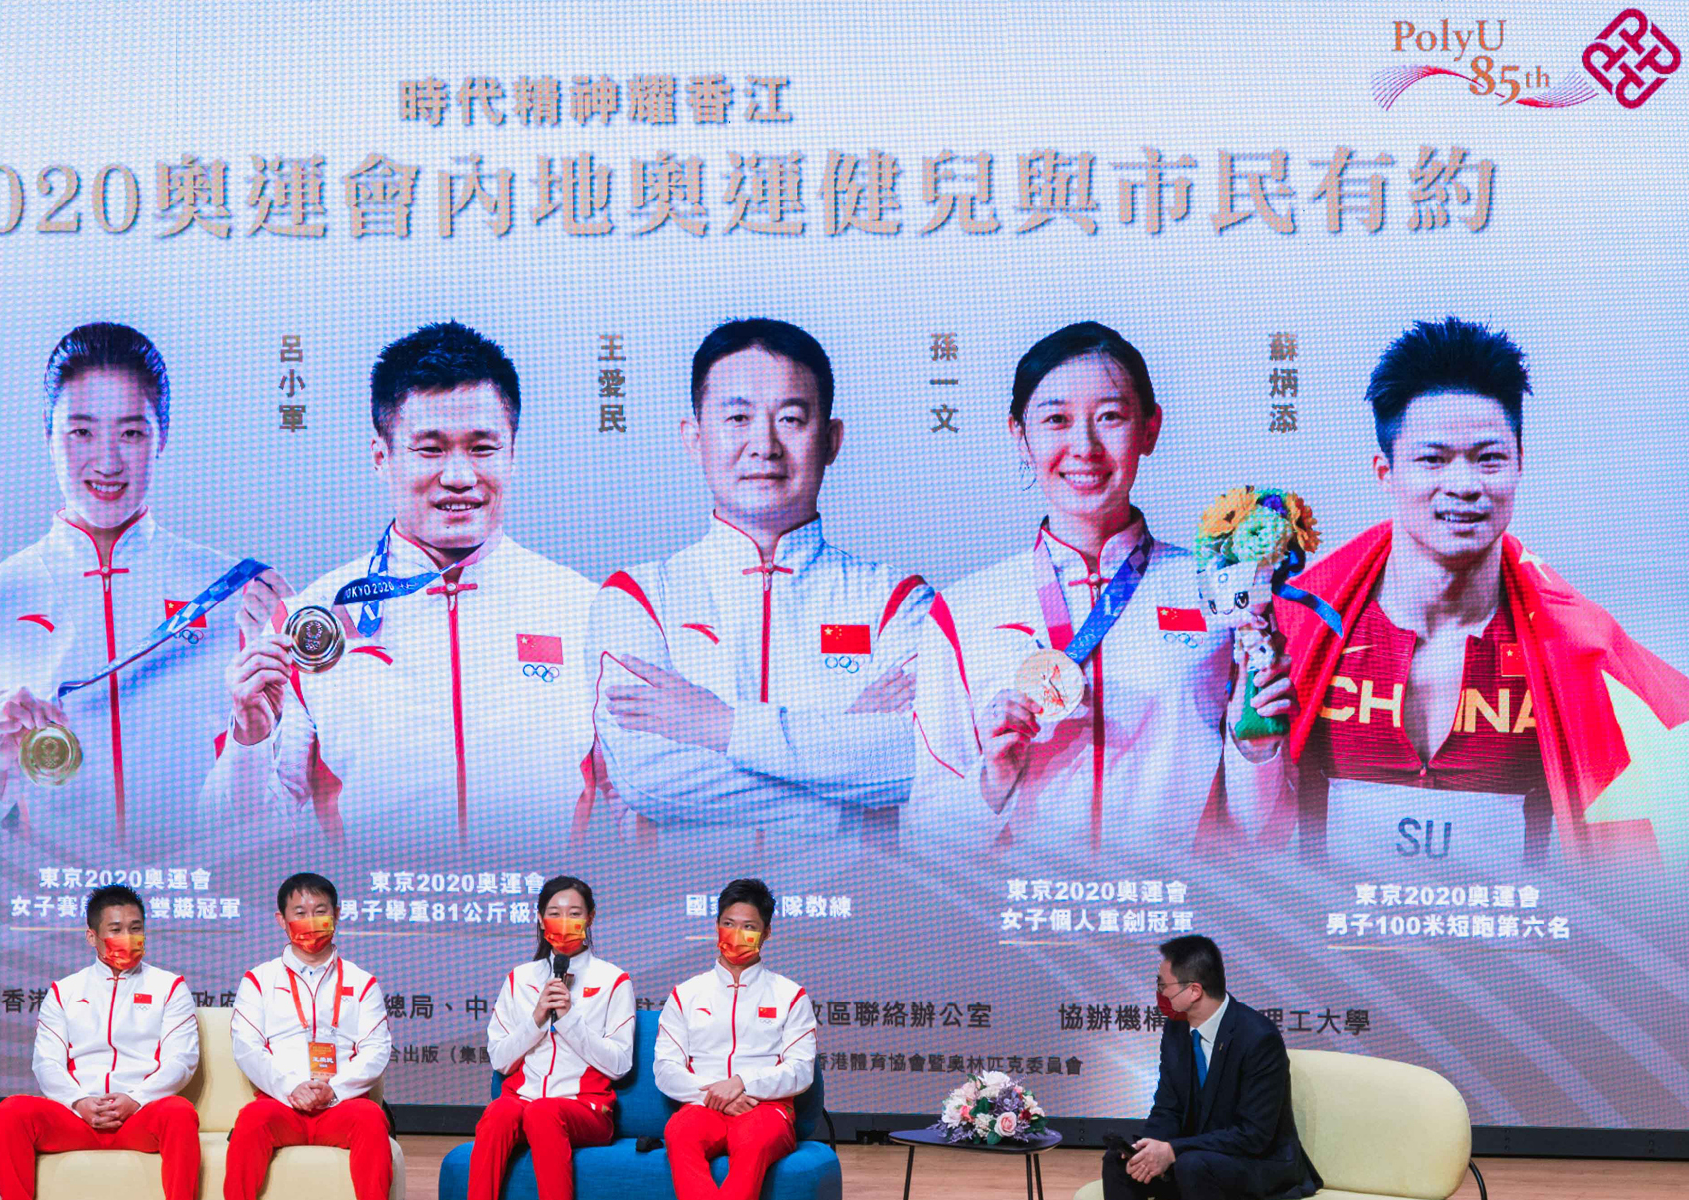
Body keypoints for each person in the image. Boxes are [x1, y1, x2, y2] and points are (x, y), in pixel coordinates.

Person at [1275, 317, 1689, 867]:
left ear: (1520, 465)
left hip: (1509, 948)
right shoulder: (1299, 628)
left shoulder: (1584, 653)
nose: (1465, 485)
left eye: (1489, 457)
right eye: (1433, 459)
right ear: (1385, 472)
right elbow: (1242, 833)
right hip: (1332, 946)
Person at [205, 322, 597, 846]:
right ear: (381, 457)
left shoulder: (589, 611)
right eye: (430, 449)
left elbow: (638, 811)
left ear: (512, 454)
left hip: (539, 923)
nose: (459, 476)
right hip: (383, 922)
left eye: (482, 448)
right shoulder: (308, 623)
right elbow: (240, 834)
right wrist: (249, 738)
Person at [914, 321, 1293, 857]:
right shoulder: (965, 610)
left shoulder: (1220, 592)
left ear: (1149, 429)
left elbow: (1263, 836)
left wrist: (1256, 752)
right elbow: (924, 842)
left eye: (1110, 417)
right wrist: (991, 778)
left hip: (1169, 919)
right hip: (1022, 920)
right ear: (1019, 436)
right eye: (1056, 420)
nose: (1084, 447)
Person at [0, 322, 279, 852]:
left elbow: (278, 799)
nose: (108, 461)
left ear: (162, 435)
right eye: (81, 431)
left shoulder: (236, 592)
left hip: (202, 900)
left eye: (132, 432)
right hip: (58, 909)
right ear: (47, 434)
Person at [589, 319, 937, 838]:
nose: (764, 445)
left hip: (857, 911)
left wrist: (720, 726)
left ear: (832, 439)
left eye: (791, 419)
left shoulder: (897, 601)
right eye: (737, 417)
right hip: (684, 909)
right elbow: (649, 780)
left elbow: (910, 761)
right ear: (694, 437)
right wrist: (843, 771)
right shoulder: (639, 597)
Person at [0, 884, 201, 1200]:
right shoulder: (65, 991)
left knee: (180, 1112)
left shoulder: (169, 987)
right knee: (10, 1112)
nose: (128, 938)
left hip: (139, 1115)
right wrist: (78, 1102)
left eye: (136, 928)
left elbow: (181, 1060)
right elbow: (47, 1061)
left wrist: (136, 1099)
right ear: (92, 936)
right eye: (116, 929)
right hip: (78, 1117)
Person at [1105, 936, 1317, 1200]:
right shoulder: (1176, 1030)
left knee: (1191, 1165)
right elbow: (1167, 1107)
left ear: (1194, 991)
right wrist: (1149, 1150)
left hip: (1258, 1163)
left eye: (1163, 984)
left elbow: (1253, 1135)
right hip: (1196, 1157)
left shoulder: (1258, 1038)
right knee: (1119, 1161)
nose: (1159, 992)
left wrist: (1173, 1150)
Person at [226, 873, 394, 1200]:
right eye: (300, 913)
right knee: (251, 1120)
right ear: (282, 920)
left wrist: (333, 1090)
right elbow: (247, 1047)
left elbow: (376, 1049)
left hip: (341, 1102)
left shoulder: (362, 983)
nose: (311, 921)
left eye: (320, 910)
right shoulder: (259, 980)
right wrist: (292, 1087)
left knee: (372, 1118)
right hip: (281, 1102)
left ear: (337, 915)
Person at [470, 876, 635, 1200]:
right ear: (540, 918)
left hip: (585, 1106)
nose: (564, 922)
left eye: (574, 913)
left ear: (591, 918)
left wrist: (569, 1018)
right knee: (498, 1113)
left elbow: (620, 1065)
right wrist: (536, 1019)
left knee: (543, 1112)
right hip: (522, 1099)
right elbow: (501, 1061)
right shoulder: (520, 978)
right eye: (554, 912)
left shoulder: (613, 980)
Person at [655, 878, 816, 1200]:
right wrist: (719, 1093)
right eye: (728, 924)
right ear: (716, 926)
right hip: (701, 1105)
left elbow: (801, 1069)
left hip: (766, 1108)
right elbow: (666, 1068)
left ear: (766, 932)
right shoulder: (685, 993)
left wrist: (743, 1082)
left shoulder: (790, 994)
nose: (737, 935)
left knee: (753, 1141)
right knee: (678, 1132)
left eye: (749, 926)